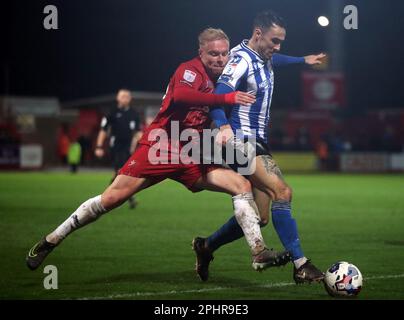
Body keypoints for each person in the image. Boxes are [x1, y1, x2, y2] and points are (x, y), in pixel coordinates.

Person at [26, 28, 291, 274]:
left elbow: (264, 64)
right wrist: (226, 99)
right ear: (201, 52)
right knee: (111, 199)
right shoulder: (189, 70)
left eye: (224, 53)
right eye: (213, 53)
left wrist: (301, 61)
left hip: (191, 149)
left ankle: (258, 252)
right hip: (162, 146)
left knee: (241, 184)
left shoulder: (224, 78)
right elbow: (182, 97)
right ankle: (52, 239)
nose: (220, 59)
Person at [193, 11, 326, 284]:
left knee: (261, 217)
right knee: (282, 191)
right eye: (274, 41)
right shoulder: (240, 60)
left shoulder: (263, 56)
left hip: (257, 141)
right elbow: (218, 94)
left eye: (281, 42)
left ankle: (206, 246)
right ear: (257, 34)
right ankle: (301, 265)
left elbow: (276, 58)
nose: (278, 48)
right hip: (240, 140)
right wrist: (223, 125)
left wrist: (303, 60)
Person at [94, 89, 142, 209]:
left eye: (127, 96)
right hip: (116, 147)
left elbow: (138, 133)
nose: (125, 98)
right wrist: (99, 146)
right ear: (118, 98)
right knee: (122, 172)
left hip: (128, 148)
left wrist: (143, 144)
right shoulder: (111, 112)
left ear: (130, 99)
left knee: (123, 174)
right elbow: (103, 130)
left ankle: (109, 198)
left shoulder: (134, 114)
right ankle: (112, 199)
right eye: (122, 96)